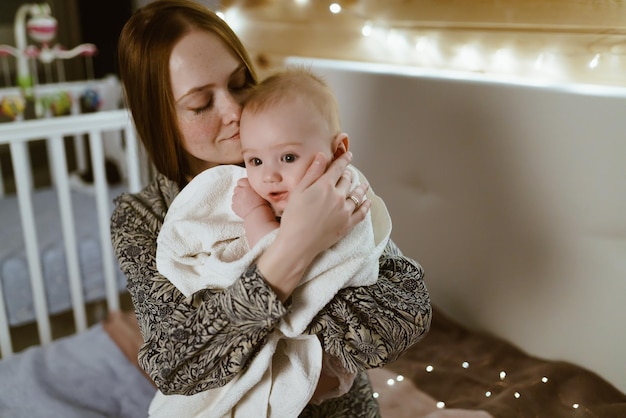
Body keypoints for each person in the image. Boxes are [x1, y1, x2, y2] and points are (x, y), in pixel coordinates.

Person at [112, 0, 432, 417]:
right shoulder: (144, 216)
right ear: (161, 119)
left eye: (240, 82)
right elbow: (176, 365)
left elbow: (404, 317)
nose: (234, 111)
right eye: (201, 104)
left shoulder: (309, 169)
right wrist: (296, 245)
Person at [153, 68, 393, 416]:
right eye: (255, 160)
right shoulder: (153, 211)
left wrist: (256, 217)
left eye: (289, 157)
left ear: (338, 149)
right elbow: (175, 362)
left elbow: (273, 250)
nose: (268, 175)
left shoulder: (343, 194)